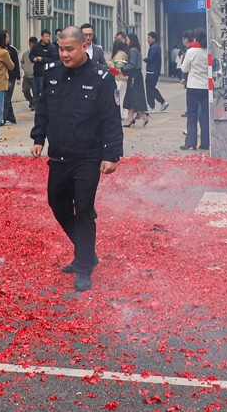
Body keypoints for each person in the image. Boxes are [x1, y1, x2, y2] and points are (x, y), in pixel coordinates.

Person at [31, 25, 123, 293]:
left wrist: (111, 154)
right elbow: (43, 108)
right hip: (59, 155)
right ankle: (87, 251)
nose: (64, 54)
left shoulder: (101, 77)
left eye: (69, 49)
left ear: (84, 46)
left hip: (87, 156)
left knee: (83, 208)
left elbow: (111, 119)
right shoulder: (53, 73)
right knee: (57, 203)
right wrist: (38, 137)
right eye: (61, 49)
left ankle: (83, 266)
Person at [178, 31, 211, 151]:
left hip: (193, 87)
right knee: (205, 115)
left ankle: (191, 142)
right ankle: (205, 142)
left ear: (196, 39)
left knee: (192, 115)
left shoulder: (191, 51)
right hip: (206, 87)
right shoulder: (209, 51)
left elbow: (184, 68)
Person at [121, 32, 148, 127]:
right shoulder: (137, 49)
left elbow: (132, 64)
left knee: (132, 97)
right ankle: (131, 118)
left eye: (127, 40)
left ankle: (142, 116)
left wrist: (123, 68)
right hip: (137, 75)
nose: (126, 42)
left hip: (133, 76)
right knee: (133, 97)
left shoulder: (132, 50)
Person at [143, 30, 168, 112]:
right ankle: (162, 102)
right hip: (154, 71)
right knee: (152, 88)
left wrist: (145, 59)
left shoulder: (154, 47)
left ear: (154, 39)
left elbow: (151, 59)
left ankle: (152, 106)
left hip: (152, 71)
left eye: (149, 38)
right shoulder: (156, 47)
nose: (148, 40)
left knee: (149, 89)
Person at [1, 33, 22, 124]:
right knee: (6, 98)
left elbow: (16, 64)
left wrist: (18, 77)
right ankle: (11, 117)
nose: (7, 39)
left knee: (6, 98)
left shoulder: (12, 50)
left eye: (8, 37)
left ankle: (3, 118)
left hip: (11, 77)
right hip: (1, 77)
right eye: (5, 37)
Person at [29, 35, 53, 109]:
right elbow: (31, 55)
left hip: (45, 73)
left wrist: (42, 59)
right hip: (36, 73)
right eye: (46, 36)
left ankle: (43, 105)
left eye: (49, 36)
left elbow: (53, 59)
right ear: (42, 37)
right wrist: (33, 58)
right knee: (35, 90)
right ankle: (34, 105)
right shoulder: (36, 46)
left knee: (43, 91)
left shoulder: (51, 47)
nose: (48, 38)